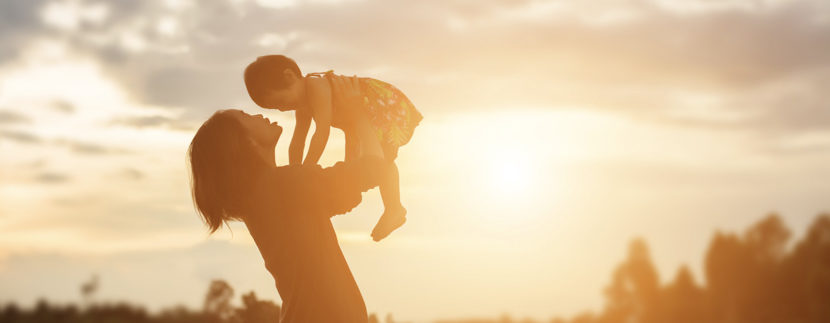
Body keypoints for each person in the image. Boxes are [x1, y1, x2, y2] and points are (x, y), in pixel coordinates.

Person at [186, 77, 383, 323]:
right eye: (247, 115)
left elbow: (348, 193)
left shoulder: (263, 194)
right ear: (245, 141)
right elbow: (374, 169)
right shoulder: (284, 184)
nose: (258, 115)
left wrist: (351, 131)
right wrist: (358, 115)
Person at [243, 54, 423, 241]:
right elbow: (298, 141)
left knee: (380, 161)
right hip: (357, 122)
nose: (282, 109)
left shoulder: (315, 86)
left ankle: (394, 208)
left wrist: (306, 170)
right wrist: (293, 173)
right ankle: (393, 208)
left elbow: (321, 132)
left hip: (375, 106)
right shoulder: (302, 104)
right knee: (364, 167)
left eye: (280, 101)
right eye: (276, 108)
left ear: (289, 77)